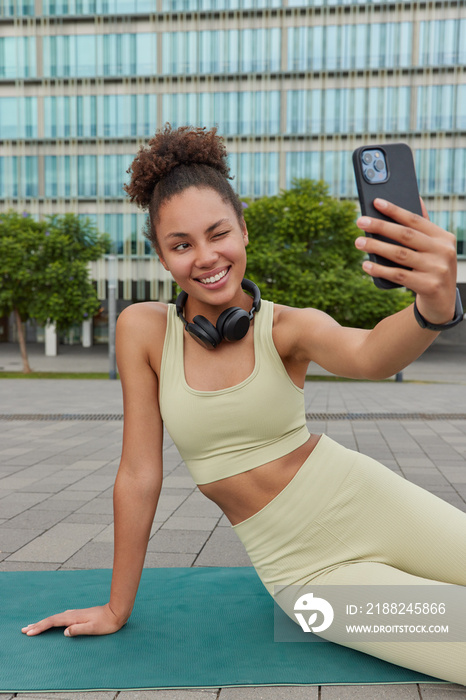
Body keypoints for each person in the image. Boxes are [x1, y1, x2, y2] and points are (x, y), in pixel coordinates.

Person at [22, 125, 466, 686]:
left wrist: (435, 302)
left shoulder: (287, 327)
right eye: (181, 244)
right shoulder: (142, 330)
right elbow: (138, 473)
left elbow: (371, 354)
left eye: (218, 233)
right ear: (161, 257)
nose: (206, 258)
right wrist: (116, 607)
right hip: (302, 576)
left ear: (244, 230)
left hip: (367, 498)